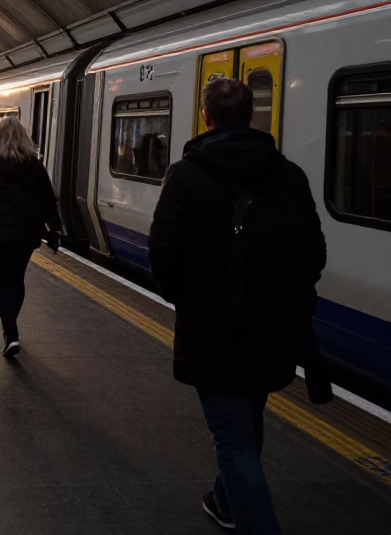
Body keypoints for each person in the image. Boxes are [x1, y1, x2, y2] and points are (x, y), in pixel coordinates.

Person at [148, 78, 326, 535]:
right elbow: (313, 251)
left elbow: (164, 250)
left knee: (234, 441)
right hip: (273, 327)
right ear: (253, 116)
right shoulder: (288, 174)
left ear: (206, 116)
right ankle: (226, 503)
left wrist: (188, 299)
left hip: (213, 331)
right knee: (247, 418)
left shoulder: (186, 174)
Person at [0, 115, 62, 358]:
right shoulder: (34, 165)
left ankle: (11, 333)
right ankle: (11, 327)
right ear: (23, 137)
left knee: (3, 283)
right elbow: (48, 200)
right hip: (26, 233)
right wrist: (54, 229)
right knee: (17, 279)